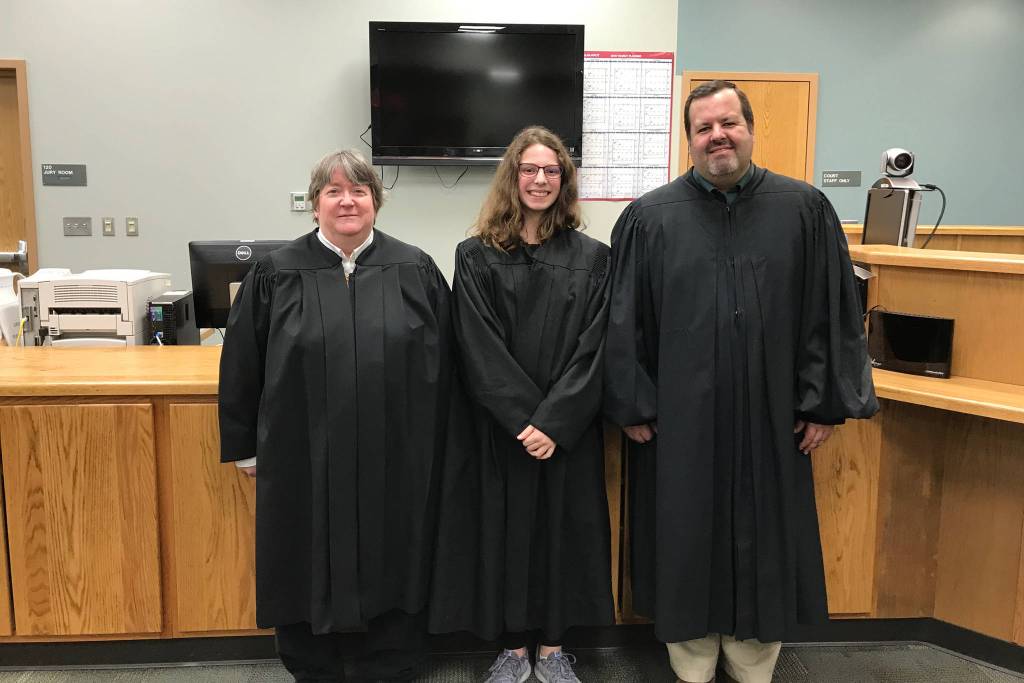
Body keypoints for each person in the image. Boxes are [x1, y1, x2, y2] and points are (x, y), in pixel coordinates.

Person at [604, 81, 879, 683]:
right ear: (689, 140)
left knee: (766, 537)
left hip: (771, 418)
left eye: (728, 123)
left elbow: (829, 313)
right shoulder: (650, 218)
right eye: (703, 128)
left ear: (750, 129)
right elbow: (625, 321)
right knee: (686, 537)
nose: (717, 136)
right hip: (681, 421)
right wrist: (633, 402)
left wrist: (822, 403)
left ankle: (754, 665)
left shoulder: (803, 209)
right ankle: (693, 664)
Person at [218, 149, 453, 682]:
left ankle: (390, 659)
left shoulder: (414, 268)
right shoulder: (276, 273)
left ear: (376, 201)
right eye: (334, 191)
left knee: (396, 546)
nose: (347, 201)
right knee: (302, 547)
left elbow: (449, 363)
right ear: (315, 203)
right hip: (302, 449)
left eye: (359, 191)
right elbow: (242, 365)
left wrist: (443, 444)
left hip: (398, 450)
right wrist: (246, 447)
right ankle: (312, 661)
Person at [430, 126, 614, 683]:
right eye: (529, 170)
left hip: (566, 433)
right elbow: (476, 345)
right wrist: (525, 421)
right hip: (501, 432)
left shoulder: (595, 258)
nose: (540, 180)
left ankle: (553, 652)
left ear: (565, 181)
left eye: (551, 171)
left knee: (562, 537)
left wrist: (554, 422)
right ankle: (513, 650)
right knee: (503, 534)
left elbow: (598, 347)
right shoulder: (474, 256)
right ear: (512, 177)